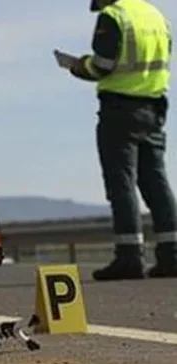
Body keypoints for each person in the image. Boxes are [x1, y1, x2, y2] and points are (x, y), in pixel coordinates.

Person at [65, 0, 175, 280]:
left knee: (121, 182)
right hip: (153, 106)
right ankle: (172, 254)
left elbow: (102, 65)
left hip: (119, 109)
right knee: (156, 182)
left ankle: (129, 257)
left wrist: (78, 66)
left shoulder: (113, 16)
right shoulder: (155, 16)